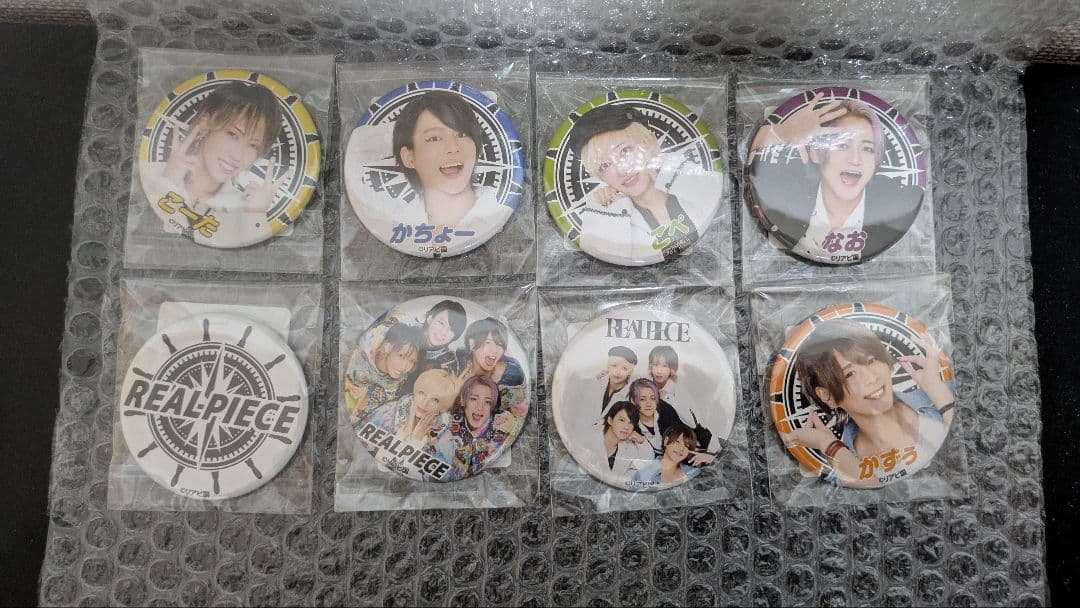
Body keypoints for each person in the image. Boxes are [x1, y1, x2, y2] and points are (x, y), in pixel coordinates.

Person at [747, 93, 923, 263]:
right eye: (842, 145)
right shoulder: (782, 200)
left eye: (868, 148)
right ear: (816, 153)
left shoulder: (900, 205)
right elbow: (753, 160)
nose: (855, 160)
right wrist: (781, 133)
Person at [780, 319, 956, 487]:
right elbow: (877, 489)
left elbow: (962, 445)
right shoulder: (839, 468)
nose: (872, 378)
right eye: (849, 374)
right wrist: (826, 443)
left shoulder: (941, 392)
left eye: (871, 361)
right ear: (827, 396)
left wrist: (937, 390)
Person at [140, 81, 288, 243]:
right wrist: (168, 183)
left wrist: (256, 214)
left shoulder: (245, 209)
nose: (237, 156)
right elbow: (145, 235)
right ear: (205, 123)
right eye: (232, 134)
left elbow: (249, 255)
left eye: (253, 145)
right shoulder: (149, 173)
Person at [568, 104, 711, 263]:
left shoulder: (690, 181)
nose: (622, 171)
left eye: (625, 151)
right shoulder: (612, 216)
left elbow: (716, 195)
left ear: (651, 142)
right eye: (605, 166)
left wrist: (670, 171)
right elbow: (603, 261)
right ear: (600, 177)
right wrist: (609, 213)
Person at [390, 91, 508, 231]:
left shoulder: (499, 209)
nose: (452, 148)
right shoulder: (392, 221)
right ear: (409, 157)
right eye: (434, 138)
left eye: (462, 134)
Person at [360, 368, 460, 468]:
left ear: (443, 408)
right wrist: (406, 433)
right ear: (414, 393)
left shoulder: (445, 438)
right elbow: (362, 454)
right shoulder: (387, 412)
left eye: (435, 400)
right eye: (422, 393)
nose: (424, 402)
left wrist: (416, 440)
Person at [435, 375, 524, 479]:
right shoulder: (448, 423)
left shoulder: (503, 424)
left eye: (487, 402)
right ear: (462, 400)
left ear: (493, 406)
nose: (480, 407)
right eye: (473, 399)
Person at [343, 322, 424, 425]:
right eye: (401, 356)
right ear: (387, 347)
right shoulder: (358, 361)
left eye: (412, 361)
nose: (404, 367)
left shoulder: (401, 377)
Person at [631, 423, 703, 489]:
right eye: (678, 442)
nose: (681, 448)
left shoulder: (693, 472)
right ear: (666, 441)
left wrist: (708, 458)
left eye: (686, 446)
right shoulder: (644, 475)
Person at [594, 400, 654, 479]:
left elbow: (647, 463)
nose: (626, 427)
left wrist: (642, 441)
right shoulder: (591, 438)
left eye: (631, 423)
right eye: (622, 420)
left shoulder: (628, 447)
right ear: (610, 420)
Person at [596, 346, 637, 414]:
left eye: (624, 368)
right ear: (608, 366)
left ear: (630, 372)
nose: (618, 372)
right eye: (614, 365)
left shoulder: (632, 395)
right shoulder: (597, 383)